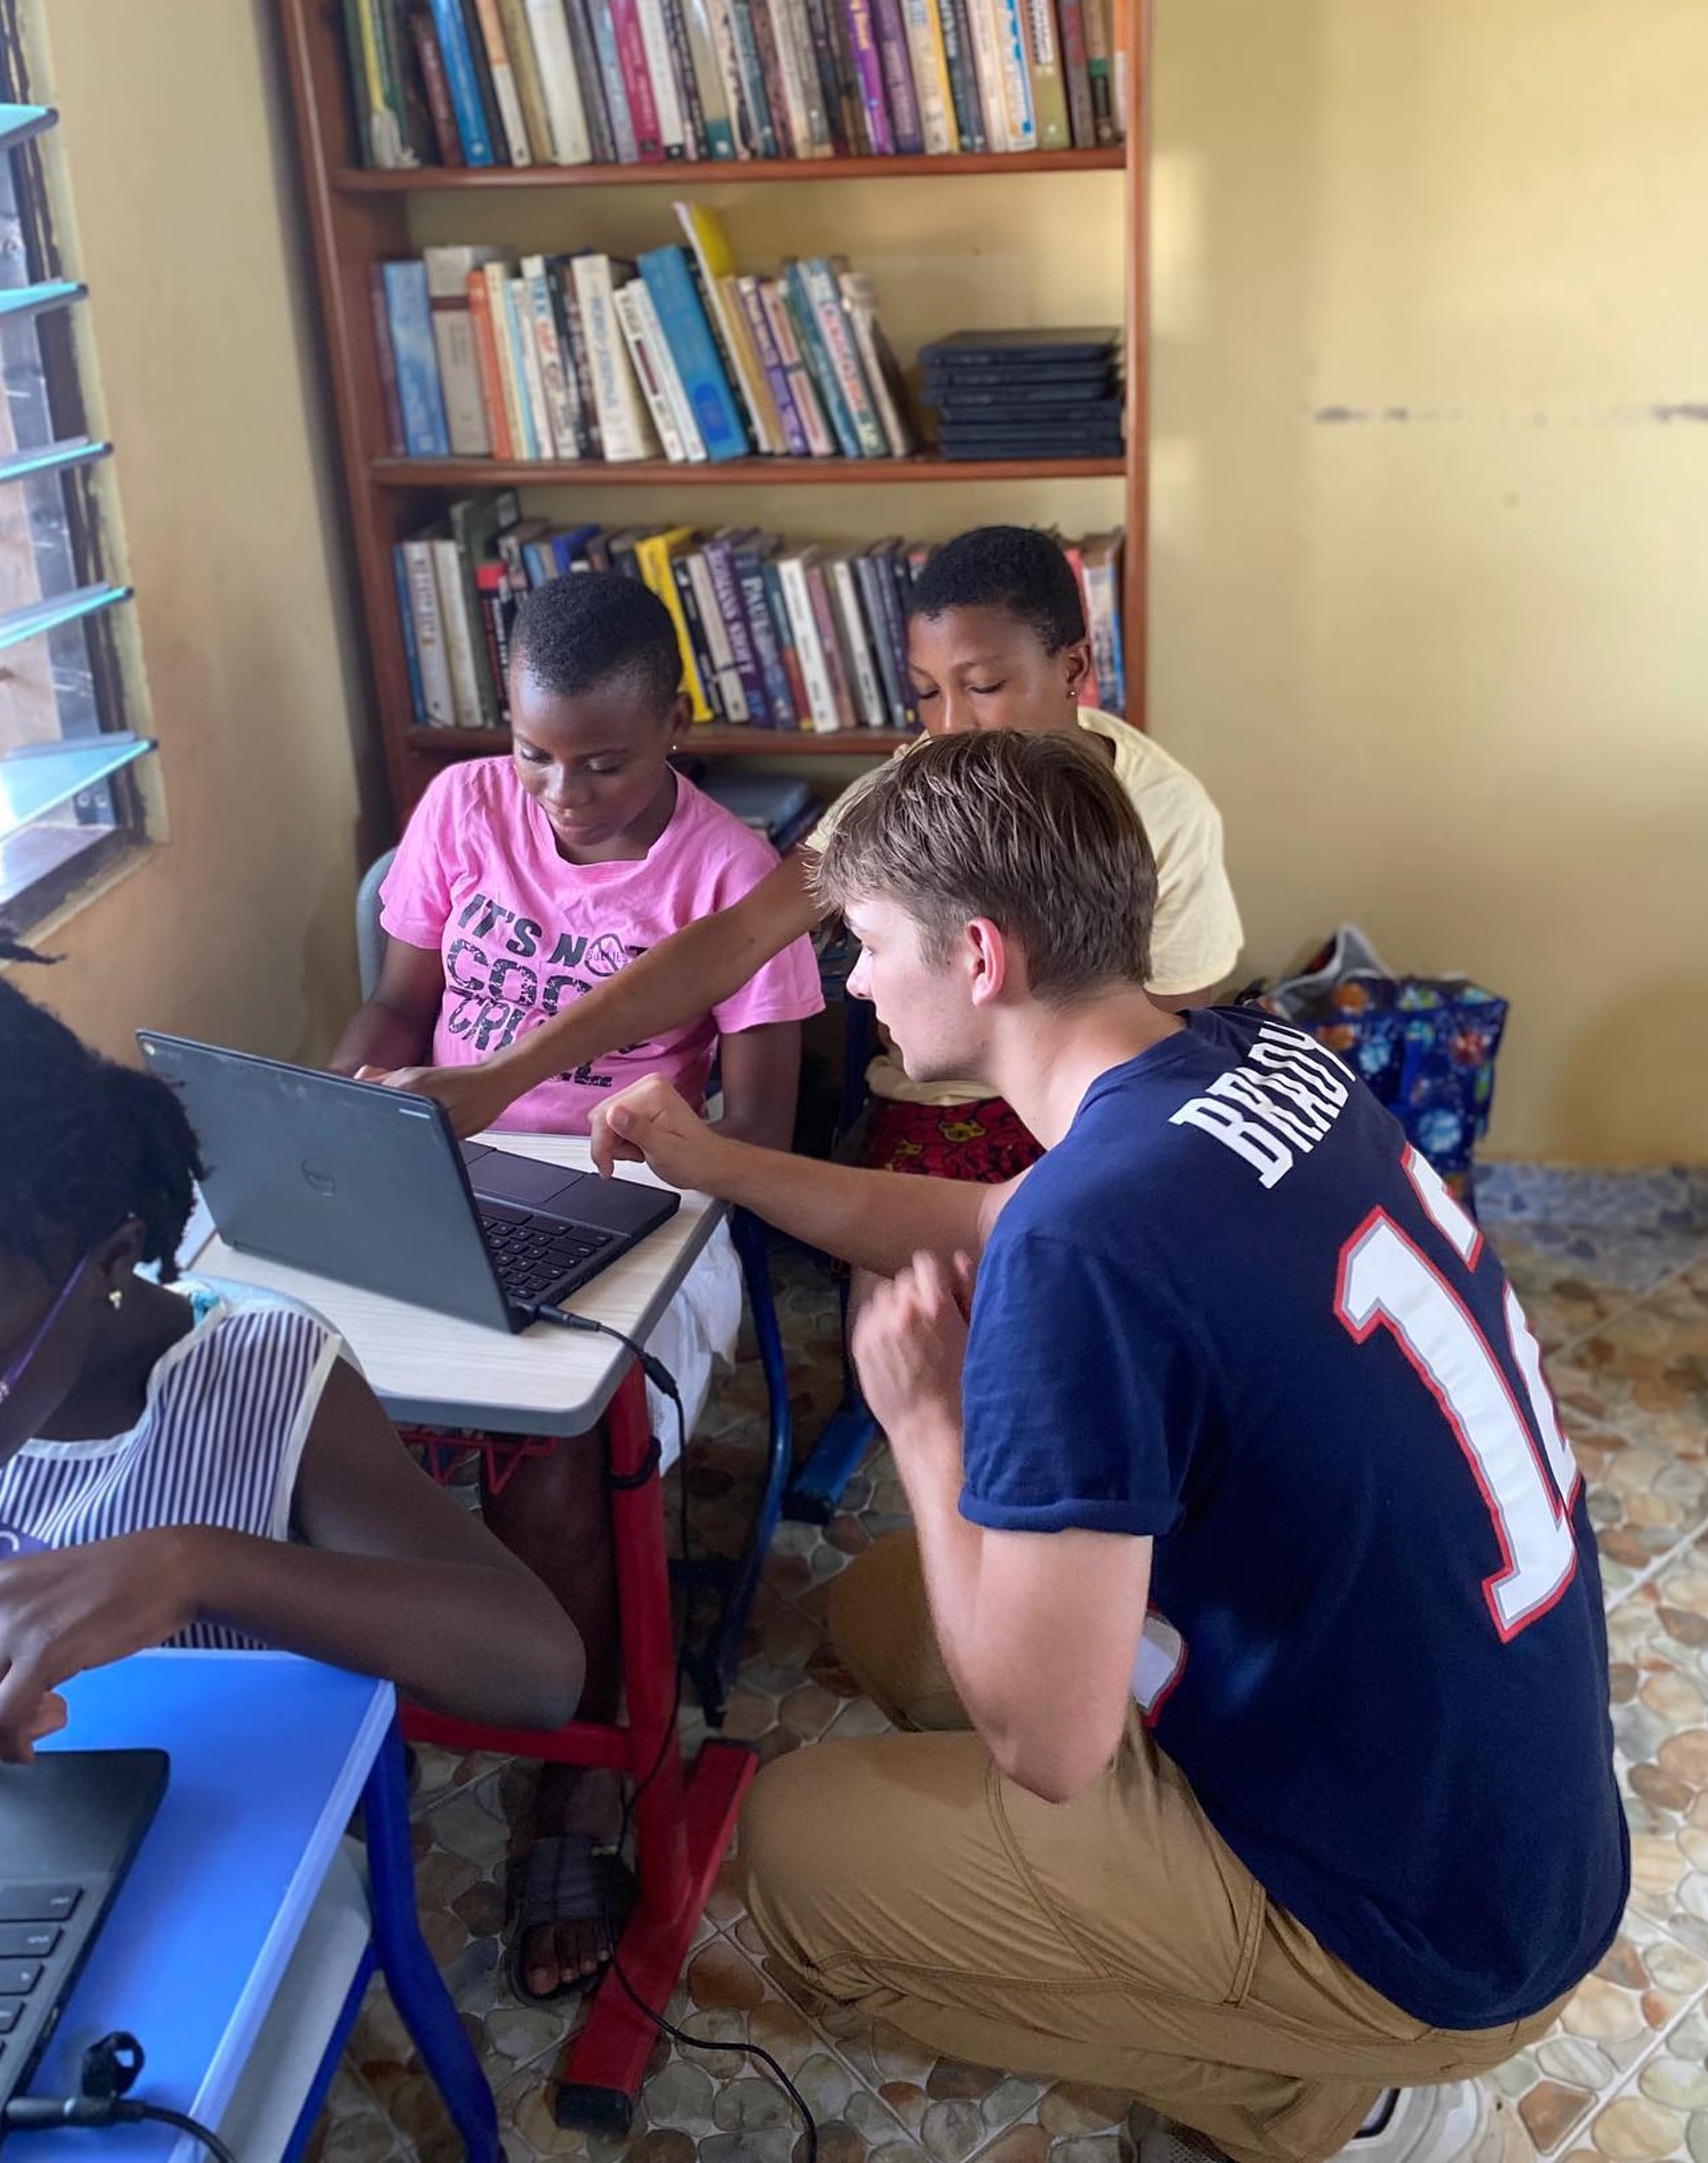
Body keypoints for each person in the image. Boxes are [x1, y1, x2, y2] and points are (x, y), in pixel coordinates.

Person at [580, 733, 1629, 2163]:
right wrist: (715, 1161)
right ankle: (1262, 1980)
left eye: (871, 942)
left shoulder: (1096, 1243)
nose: (855, 981)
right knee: (890, 1610)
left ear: (983, 956)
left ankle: (1337, 2097)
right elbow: (1001, 1221)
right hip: (1502, 1809)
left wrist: (928, 1422)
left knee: (798, 1856)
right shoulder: (1240, 1056)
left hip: (1423, 1933)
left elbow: (1049, 1743)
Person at [330, 568, 821, 2000]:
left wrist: (649, 1156)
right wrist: (361, 1086)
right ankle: (390, 1682)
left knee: (556, 1443)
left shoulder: (732, 878)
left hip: (649, 1202)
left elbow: (760, 1137)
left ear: (678, 723)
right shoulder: (464, 811)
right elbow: (400, 1005)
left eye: (603, 760)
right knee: (281, 1371)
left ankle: (589, 1762)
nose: (561, 792)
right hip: (448, 1161)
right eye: (536, 752)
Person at [365, 527, 1242, 1186]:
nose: (948, 727)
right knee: (914, 1320)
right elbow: (735, 941)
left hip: (1099, 1120)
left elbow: (1174, 1045)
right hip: (941, 1112)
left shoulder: (1166, 814)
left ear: (1075, 666)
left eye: (983, 688)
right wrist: (502, 1074)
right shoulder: (908, 790)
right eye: (929, 694)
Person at [0, 923, 584, 1777]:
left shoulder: (263, 1378)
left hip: (243, 1841)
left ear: (107, 1258)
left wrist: (199, 1565)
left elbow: (538, 1668)